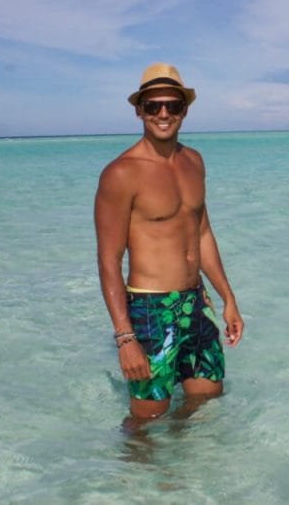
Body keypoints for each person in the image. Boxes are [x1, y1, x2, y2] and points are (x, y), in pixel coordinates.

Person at [94, 62, 243, 422]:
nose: (163, 114)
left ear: (185, 110)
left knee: (206, 399)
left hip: (196, 302)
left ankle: (184, 478)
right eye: (153, 106)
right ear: (139, 110)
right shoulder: (121, 173)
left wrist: (228, 297)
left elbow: (202, 232)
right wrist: (125, 339)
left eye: (172, 106)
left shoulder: (193, 161)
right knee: (147, 418)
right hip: (151, 310)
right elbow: (108, 260)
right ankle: (135, 478)